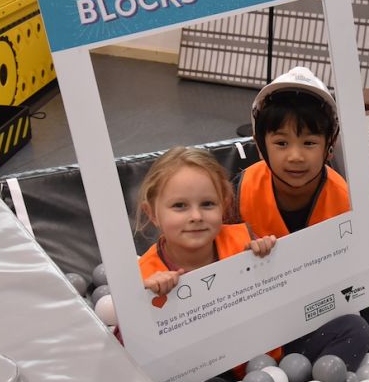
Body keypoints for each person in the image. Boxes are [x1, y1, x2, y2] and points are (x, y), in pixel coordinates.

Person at [135, 146, 276, 297]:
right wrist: (147, 298)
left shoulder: (244, 242)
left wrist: (268, 257)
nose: (196, 216)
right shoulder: (143, 277)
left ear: (224, 204)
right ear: (152, 214)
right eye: (179, 205)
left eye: (207, 204)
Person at [236, 66, 350, 238]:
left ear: (330, 145)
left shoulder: (345, 202)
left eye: (309, 143)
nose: (296, 157)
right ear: (260, 146)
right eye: (282, 143)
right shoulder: (238, 193)